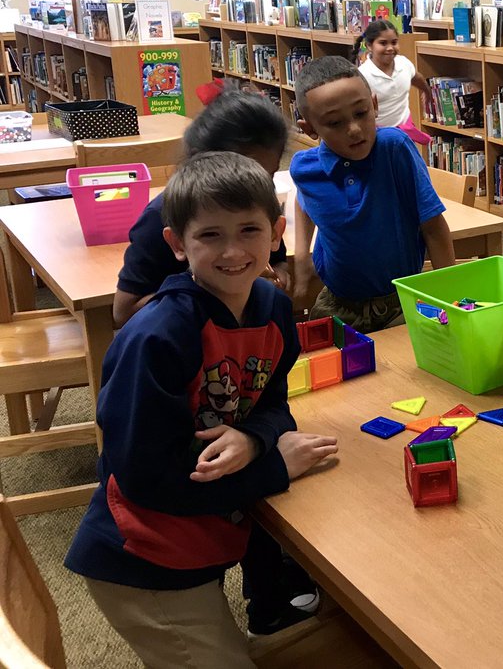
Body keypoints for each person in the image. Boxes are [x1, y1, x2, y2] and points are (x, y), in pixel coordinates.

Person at [65, 152, 339, 668]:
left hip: (203, 534)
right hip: (144, 559)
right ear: (176, 244)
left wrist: (254, 437)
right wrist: (275, 466)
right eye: (209, 235)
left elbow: (275, 400)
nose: (233, 251)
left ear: (277, 232)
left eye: (249, 230)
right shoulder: (158, 337)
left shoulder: (274, 307)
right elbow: (146, 479)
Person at [290, 56, 455, 333]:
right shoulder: (304, 168)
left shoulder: (394, 149)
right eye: (334, 123)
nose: (353, 129)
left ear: (374, 105)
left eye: (360, 113)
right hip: (337, 306)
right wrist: (302, 256)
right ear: (310, 129)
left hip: (400, 304)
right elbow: (303, 200)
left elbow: (434, 227)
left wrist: (447, 300)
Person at [114, 90, 291, 329]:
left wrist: (279, 273)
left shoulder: (261, 204)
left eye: (267, 176)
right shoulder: (159, 218)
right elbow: (124, 311)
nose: (256, 189)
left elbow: (278, 257)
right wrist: (212, 287)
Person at [354, 18, 432, 138]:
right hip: (378, 135)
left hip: (404, 129)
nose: (390, 48)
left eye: (394, 42)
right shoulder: (363, 75)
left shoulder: (403, 63)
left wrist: (427, 92)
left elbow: (416, 77)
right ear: (369, 46)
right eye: (383, 43)